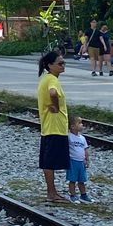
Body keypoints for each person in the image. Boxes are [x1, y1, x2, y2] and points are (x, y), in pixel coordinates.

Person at [36, 50, 69, 204]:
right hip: (54, 126)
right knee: (49, 161)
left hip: (50, 126)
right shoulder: (52, 80)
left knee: (48, 160)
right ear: (50, 65)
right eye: (60, 63)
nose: (63, 66)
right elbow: (53, 93)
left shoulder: (46, 78)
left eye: (64, 63)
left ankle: (52, 192)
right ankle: (51, 193)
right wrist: (55, 106)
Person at [65, 116, 93, 203]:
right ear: (72, 126)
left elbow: (86, 149)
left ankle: (83, 195)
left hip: (81, 162)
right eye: (80, 123)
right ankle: (72, 195)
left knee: (82, 179)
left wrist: (87, 159)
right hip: (72, 161)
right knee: (72, 179)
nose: (82, 125)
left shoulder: (82, 138)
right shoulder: (69, 137)